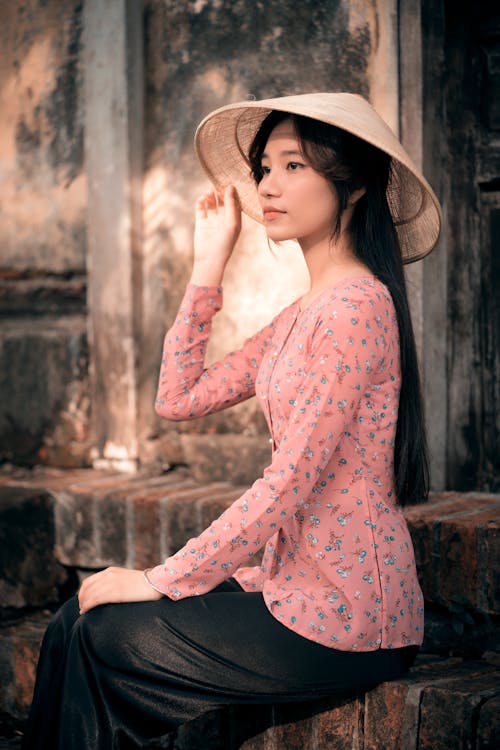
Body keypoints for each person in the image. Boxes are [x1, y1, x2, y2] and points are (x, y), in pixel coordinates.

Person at [22, 93, 441, 749]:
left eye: (292, 165)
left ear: (353, 186)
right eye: (264, 167)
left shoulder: (357, 308)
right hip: (289, 594)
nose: (267, 185)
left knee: (103, 635)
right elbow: (179, 397)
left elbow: (288, 483)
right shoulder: (304, 313)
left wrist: (160, 579)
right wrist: (207, 266)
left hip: (350, 622)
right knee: (72, 620)